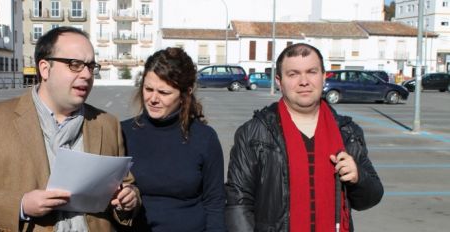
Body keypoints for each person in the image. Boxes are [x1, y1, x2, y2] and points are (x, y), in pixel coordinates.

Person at [0, 26, 140, 232]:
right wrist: (21, 205)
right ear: (45, 68)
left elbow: (125, 185)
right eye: (75, 64)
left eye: (91, 66)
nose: (86, 74)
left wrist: (128, 198)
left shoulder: (106, 123)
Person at [225, 43, 383, 232]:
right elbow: (238, 205)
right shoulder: (252, 133)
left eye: (312, 72)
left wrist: (358, 177)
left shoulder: (348, 132)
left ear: (324, 76)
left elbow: (370, 198)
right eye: (293, 74)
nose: (304, 81)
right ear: (279, 81)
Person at [120, 47, 226, 232]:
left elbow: (214, 202)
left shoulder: (205, 138)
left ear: (186, 93)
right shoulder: (122, 132)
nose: (153, 98)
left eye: (164, 92)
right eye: (148, 89)